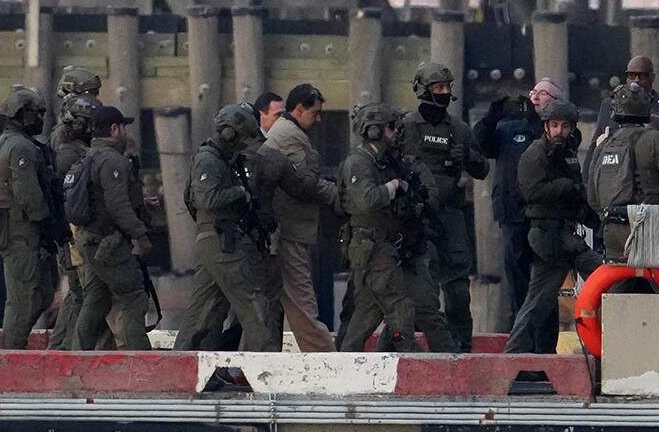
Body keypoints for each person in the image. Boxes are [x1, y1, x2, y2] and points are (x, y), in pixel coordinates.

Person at [175, 103, 337, 351]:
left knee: (207, 310)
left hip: (225, 239)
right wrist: (240, 193)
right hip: (227, 241)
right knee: (256, 305)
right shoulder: (212, 159)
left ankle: (184, 362)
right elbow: (204, 198)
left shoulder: (229, 159)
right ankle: (264, 364)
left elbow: (191, 201)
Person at [338, 102, 458, 353]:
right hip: (372, 245)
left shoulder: (388, 162)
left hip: (397, 244)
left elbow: (426, 199)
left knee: (369, 312)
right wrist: (394, 186)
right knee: (398, 307)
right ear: (374, 130)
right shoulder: (360, 163)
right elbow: (366, 200)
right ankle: (404, 358)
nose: (397, 133)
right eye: (391, 128)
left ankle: (347, 360)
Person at [401, 63, 490, 352]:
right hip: (416, 217)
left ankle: (461, 343)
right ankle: (414, 341)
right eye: (437, 88)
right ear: (423, 90)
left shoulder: (459, 129)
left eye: (447, 88)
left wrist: (469, 157)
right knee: (420, 283)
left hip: (451, 215)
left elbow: (482, 169)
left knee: (457, 287)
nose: (443, 93)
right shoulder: (406, 126)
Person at [505, 100, 602, 354]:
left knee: (604, 279)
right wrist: (565, 187)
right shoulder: (535, 154)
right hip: (548, 235)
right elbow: (531, 192)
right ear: (546, 127)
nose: (560, 131)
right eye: (555, 125)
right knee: (538, 302)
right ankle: (513, 355)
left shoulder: (568, 153)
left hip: (567, 233)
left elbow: (577, 191)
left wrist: (592, 217)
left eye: (565, 126)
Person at [474, 78, 562, 326]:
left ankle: (544, 331)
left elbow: (553, 149)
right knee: (516, 276)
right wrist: (492, 116)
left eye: (543, 94)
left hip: (544, 214)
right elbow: (480, 145)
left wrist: (535, 120)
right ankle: (520, 328)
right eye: (534, 92)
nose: (535, 97)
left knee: (545, 277)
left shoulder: (559, 130)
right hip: (512, 212)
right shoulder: (510, 128)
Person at [263, 84, 339, 352]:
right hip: (289, 231)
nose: (318, 120)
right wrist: (340, 194)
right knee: (301, 302)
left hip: (285, 230)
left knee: (270, 306)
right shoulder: (289, 136)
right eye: (315, 113)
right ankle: (326, 359)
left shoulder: (287, 132)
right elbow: (305, 184)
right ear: (298, 109)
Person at [71, 106, 153, 350]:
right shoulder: (112, 160)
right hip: (108, 242)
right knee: (134, 298)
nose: (126, 133)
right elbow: (117, 206)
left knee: (96, 300)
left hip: (88, 240)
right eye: (124, 127)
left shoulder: (88, 157)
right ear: (115, 129)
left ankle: (76, 357)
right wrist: (140, 234)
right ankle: (141, 361)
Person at [0, 86, 60, 349]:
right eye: (37, 114)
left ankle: (14, 344)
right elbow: (28, 194)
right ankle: (11, 351)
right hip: (20, 229)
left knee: (42, 293)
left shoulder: (7, 142)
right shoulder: (20, 147)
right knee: (23, 297)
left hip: (20, 228)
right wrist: (48, 224)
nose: (40, 119)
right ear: (22, 115)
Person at [588, 82, 659, 257]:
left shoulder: (605, 143)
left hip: (612, 232)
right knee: (655, 275)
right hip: (650, 230)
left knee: (618, 274)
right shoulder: (655, 140)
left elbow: (592, 197)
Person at [47, 93, 102, 350]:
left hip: (71, 233)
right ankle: (65, 350)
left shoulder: (70, 151)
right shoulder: (71, 155)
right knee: (83, 293)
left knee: (77, 294)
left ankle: (60, 349)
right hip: (73, 234)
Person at [586, 55, 659, 177]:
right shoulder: (610, 105)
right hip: (616, 177)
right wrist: (587, 180)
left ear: (652, 77)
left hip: (651, 177)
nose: (636, 80)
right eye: (631, 75)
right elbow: (595, 145)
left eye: (642, 76)